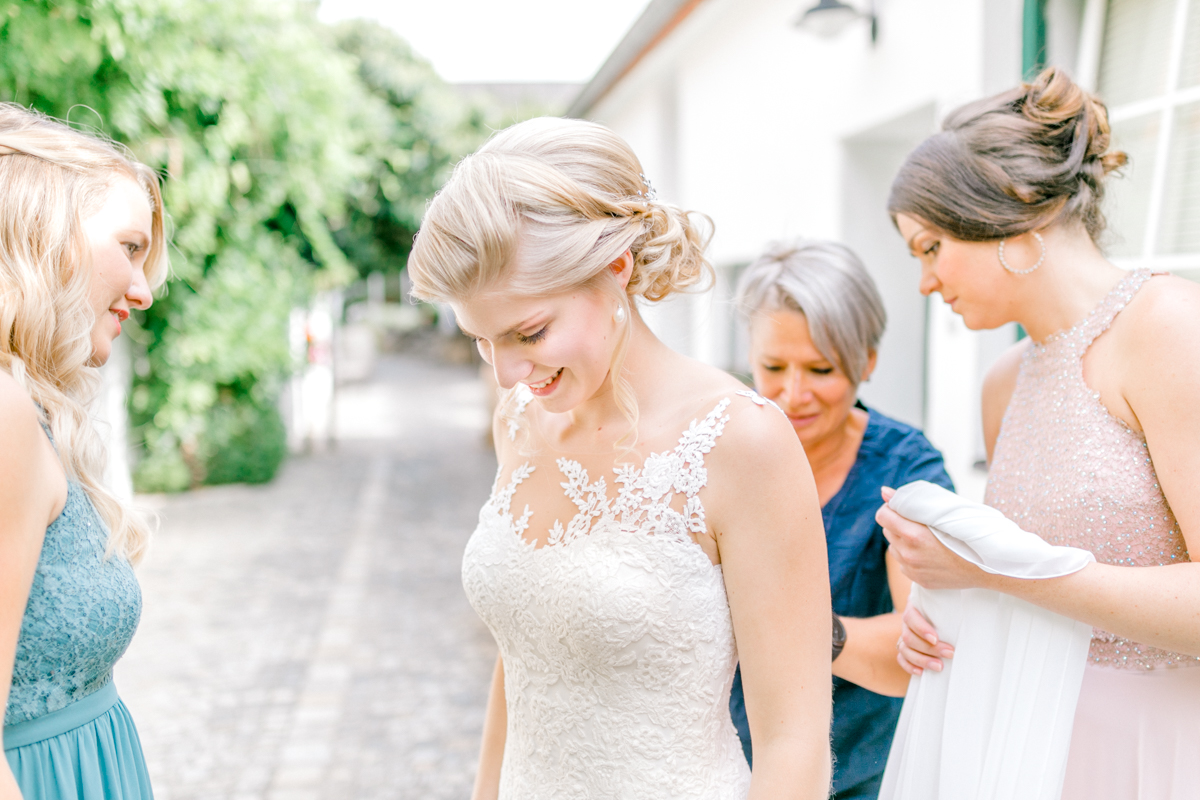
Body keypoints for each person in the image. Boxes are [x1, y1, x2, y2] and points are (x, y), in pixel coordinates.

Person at [407, 117, 832, 800]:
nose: (510, 371)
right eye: (483, 341)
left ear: (616, 266)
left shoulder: (742, 442)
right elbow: (521, 663)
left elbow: (795, 742)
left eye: (529, 332)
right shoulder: (518, 420)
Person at [877, 67, 1200, 799]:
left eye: (930, 248)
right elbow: (1030, 594)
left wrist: (993, 575)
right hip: (1029, 745)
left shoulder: (1170, 329)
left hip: (1164, 749)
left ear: (1011, 210)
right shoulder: (1005, 382)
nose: (926, 283)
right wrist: (942, 618)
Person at [726, 240, 953, 799]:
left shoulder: (905, 469)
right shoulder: (715, 450)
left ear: (867, 361)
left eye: (821, 369)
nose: (794, 393)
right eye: (773, 367)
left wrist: (803, 629)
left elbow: (921, 650)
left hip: (856, 774)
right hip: (719, 764)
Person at [0, 105, 166, 799]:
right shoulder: (7, 414)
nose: (144, 289)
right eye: (129, 248)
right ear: (45, 234)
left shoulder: (31, 410)